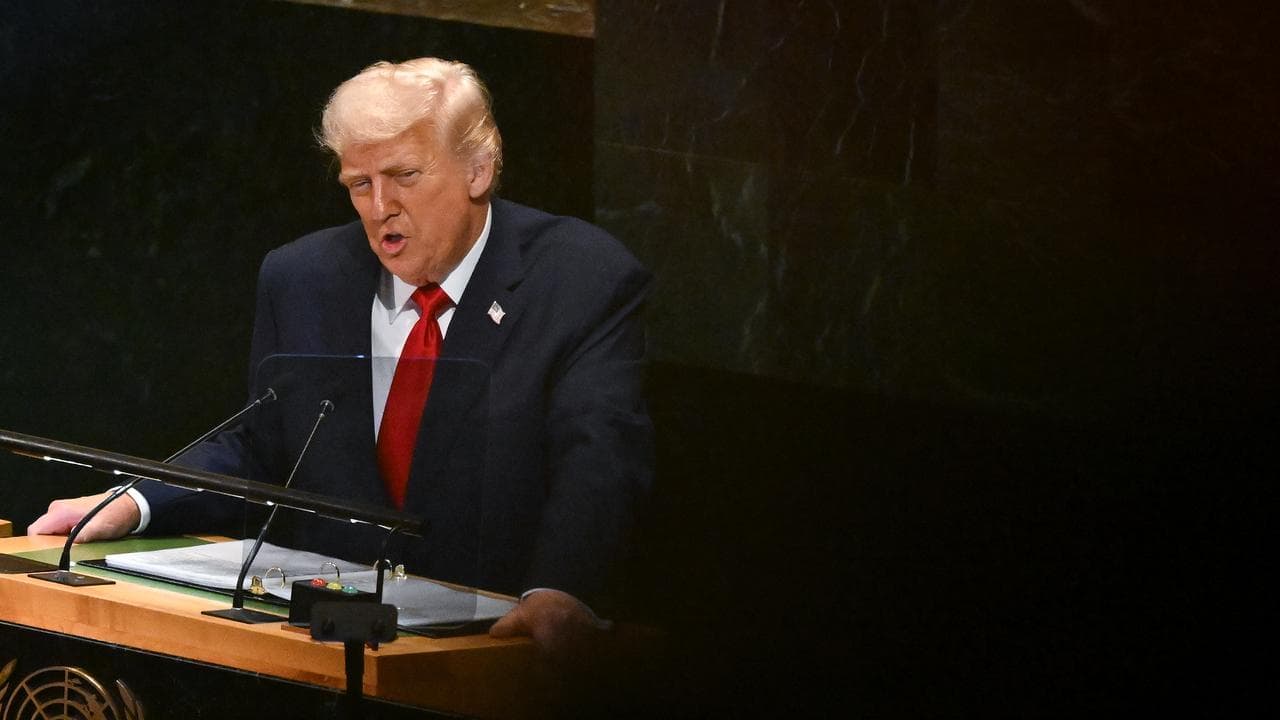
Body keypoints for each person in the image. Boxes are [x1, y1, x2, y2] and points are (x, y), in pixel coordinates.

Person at [29, 57, 653, 653]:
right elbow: (265, 441)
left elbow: (599, 455)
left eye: (405, 176)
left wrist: (561, 591)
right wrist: (134, 502)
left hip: (491, 648)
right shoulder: (303, 277)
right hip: (329, 645)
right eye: (360, 184)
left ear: (479, 169)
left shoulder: (580, 278)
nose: (382, 209)